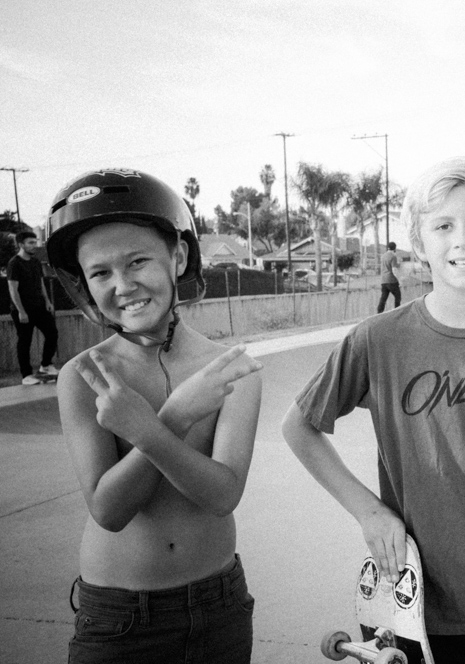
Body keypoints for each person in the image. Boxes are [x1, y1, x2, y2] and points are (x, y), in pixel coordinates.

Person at [283, 156, 465, 664]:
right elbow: (300, 428)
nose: (462, 239)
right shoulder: (378, 341)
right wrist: (369, 512)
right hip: (418, 589)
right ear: (419, 244)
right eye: (443, 226)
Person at [46, 169, 263, 664]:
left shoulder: (231, 371)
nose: (122, 285)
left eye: (138, 261)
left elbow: (222, 495)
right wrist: (175, 416)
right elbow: (110, 510)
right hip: (120, 618)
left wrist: (148, 428)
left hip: (219, 607)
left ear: (178, 257)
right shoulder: (83, 377)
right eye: (100, 273)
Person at [7, 230, 60, 384]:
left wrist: (48, 302)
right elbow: (13, 289)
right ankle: (26, 375)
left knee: (52, 333)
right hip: (23, 310)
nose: (34, 245)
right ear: (21, 244)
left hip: (39, 307)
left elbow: (40, 283)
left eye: (35, 242)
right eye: (30, 243)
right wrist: (21, 311)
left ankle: (45, 365)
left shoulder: (35, 262)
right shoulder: (14, 263)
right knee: (25, 341)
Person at [377, 240, 401, 312]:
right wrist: (399, 280)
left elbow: (388, 266)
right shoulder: (393, 256)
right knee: (398, 297)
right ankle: (397, 312)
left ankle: (379, 313)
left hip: (383, 280)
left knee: (383, 298)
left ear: (388, 248)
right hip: (392, 280)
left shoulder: (383, 256)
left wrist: (398, 264)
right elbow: (394, 269)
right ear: (395, 248)